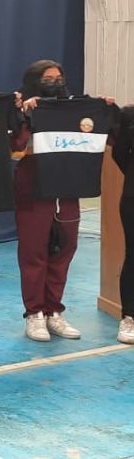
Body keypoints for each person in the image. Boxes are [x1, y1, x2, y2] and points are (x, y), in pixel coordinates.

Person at [12, 60, 114, 342]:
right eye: (47, 79)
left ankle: (53, 311)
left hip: (67, 190)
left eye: (59, 77)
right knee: (34, 253)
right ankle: (34, 314)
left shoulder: (73, 109)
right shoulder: (21, 108)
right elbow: (14, 147)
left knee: (65, 249)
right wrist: (23, 114)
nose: (55, 83)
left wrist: (104, 108)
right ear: (34, 81)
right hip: (33, 190)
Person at [114, 105, 134, 345]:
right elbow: (119, 153)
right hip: (132, 198)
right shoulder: (129, 114)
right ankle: (129, 316)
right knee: (133, 256)